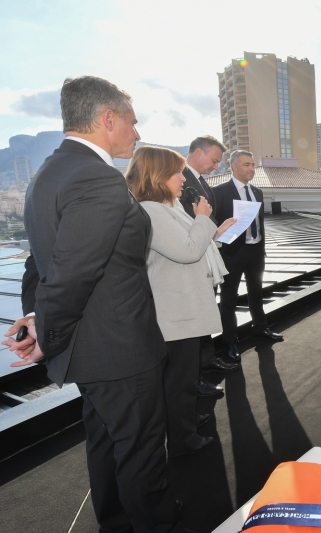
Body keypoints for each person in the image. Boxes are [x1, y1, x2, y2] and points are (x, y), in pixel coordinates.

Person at [4, 76, 182, 531]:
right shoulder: (97, 178)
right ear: (108, 119)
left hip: (90, 356)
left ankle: (116, 524)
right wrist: (46, 335)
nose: (137, 134)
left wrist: (34, 318)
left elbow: (39, 262)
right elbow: (69, 275)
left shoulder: (47, 172)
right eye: (132, 122)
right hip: (120, 352)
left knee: (105, 445)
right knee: (143, 458)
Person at [126, 146, 236, 457]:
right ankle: (182, 441)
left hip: (182, 309)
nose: (181, 177)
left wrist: (212, 230)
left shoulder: (165, 207)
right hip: (176, 313)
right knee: (179, 382)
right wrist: (202, 219)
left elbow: (188, 243)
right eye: (176, 172)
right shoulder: (151, 210)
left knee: (183, 379)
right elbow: (187, 251)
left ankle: (183, 429)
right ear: (157, 175)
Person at [180, 135, 237, 397]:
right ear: (198, 153)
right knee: (195, 319)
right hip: (191, 260)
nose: (216, 167)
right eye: (214, 160)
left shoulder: (201, 182)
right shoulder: (178, 180)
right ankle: (196, 376)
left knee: (205, 313)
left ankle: (206, 360)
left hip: (205, 256)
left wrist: (218, 230)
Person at [213, 150, 283, 363]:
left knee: (256, 293)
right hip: (231, 254)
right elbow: (213, 225)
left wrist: (261, 248)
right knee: (228, 299)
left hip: (255, 252)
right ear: (234, 166)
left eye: (252, 164)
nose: (251, 169)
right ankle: (230, 341)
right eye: (246, 165)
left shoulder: (258, 193)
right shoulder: (219, 193)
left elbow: (259, 223)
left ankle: (260, 329)